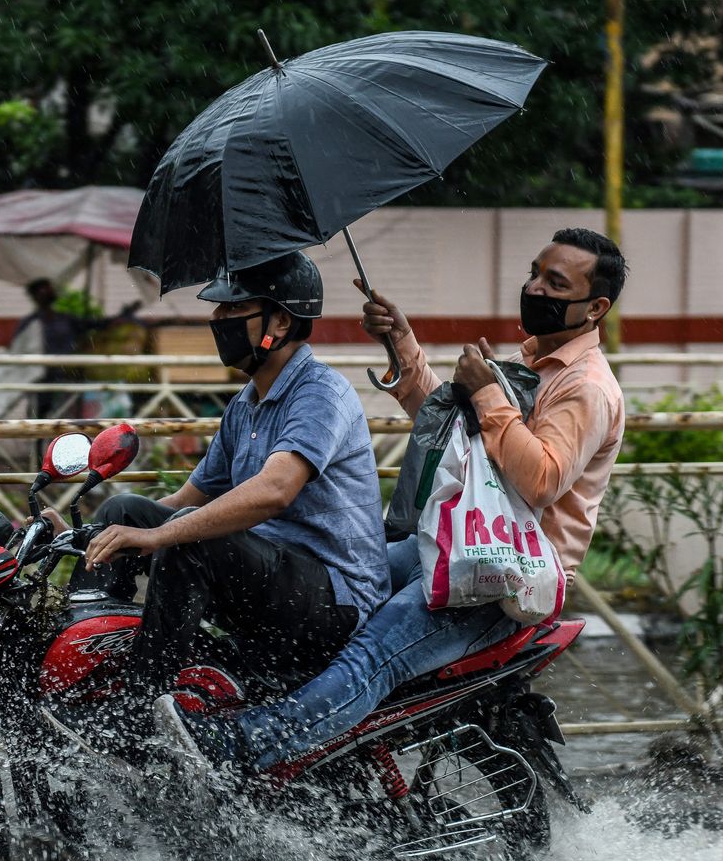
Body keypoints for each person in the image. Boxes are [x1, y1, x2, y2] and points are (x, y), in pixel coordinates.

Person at [156, 228, 628, 770]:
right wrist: (401, 343)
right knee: (347, 582)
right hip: (464, 540)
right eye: (534, 273)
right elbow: (454, 436)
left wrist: (487, 393)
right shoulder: (529, 362)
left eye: (554, 283)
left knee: (375, 650)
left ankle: (245, 744)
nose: (535, 288)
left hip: (513, 572)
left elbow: (542, 478)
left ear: (594, 308)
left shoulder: (585, 387)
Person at [42, 251, 390, 754]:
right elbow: (184, 500)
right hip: (267, 578)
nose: (216, 320)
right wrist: (89, 537)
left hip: (331, 599)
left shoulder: (321, 394)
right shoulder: (244, 405)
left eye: (232, 311)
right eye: (218, 311)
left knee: (188, 539)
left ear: (280, 321)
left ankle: (141, 705)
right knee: (126, 510)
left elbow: (275, 489)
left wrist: (163, 535)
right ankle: (92, 658)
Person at [12, 278, 139, 420]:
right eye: (43, 290)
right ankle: (39, 441)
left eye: (49, 289)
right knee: (40, 414)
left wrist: (120, 318)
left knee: (67, 414)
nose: (48, 292)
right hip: (42, 376)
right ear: (35, 296)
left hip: (67, 374)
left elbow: (94, 325)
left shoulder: (65, 319)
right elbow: (18, 347)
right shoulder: (30, 323)